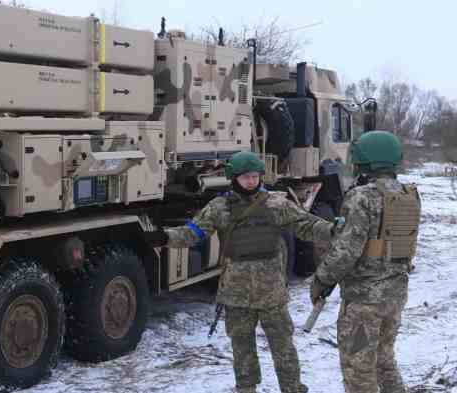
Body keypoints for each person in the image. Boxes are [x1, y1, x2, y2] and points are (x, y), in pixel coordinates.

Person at [145, 151, 336, 393]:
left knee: (283, 346)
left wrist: (334, 229)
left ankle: (293, 388)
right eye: (245, 177)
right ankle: (246, 388)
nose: (251, 181)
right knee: (242, 347)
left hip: (272, 293)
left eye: (255, 176)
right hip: (236, 293)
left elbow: (308, 226)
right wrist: (165, 237)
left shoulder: (277, 204)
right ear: (233, 178)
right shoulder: (220, 208)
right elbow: (194, 233)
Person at [310, 131, 420, 393]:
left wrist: (321, 280)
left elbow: (346, 251)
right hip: (395, 295)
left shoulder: (362, 196)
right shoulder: (409, 195)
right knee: (384, 359)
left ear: (363, 161)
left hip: (364, 300)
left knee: (359, 369)